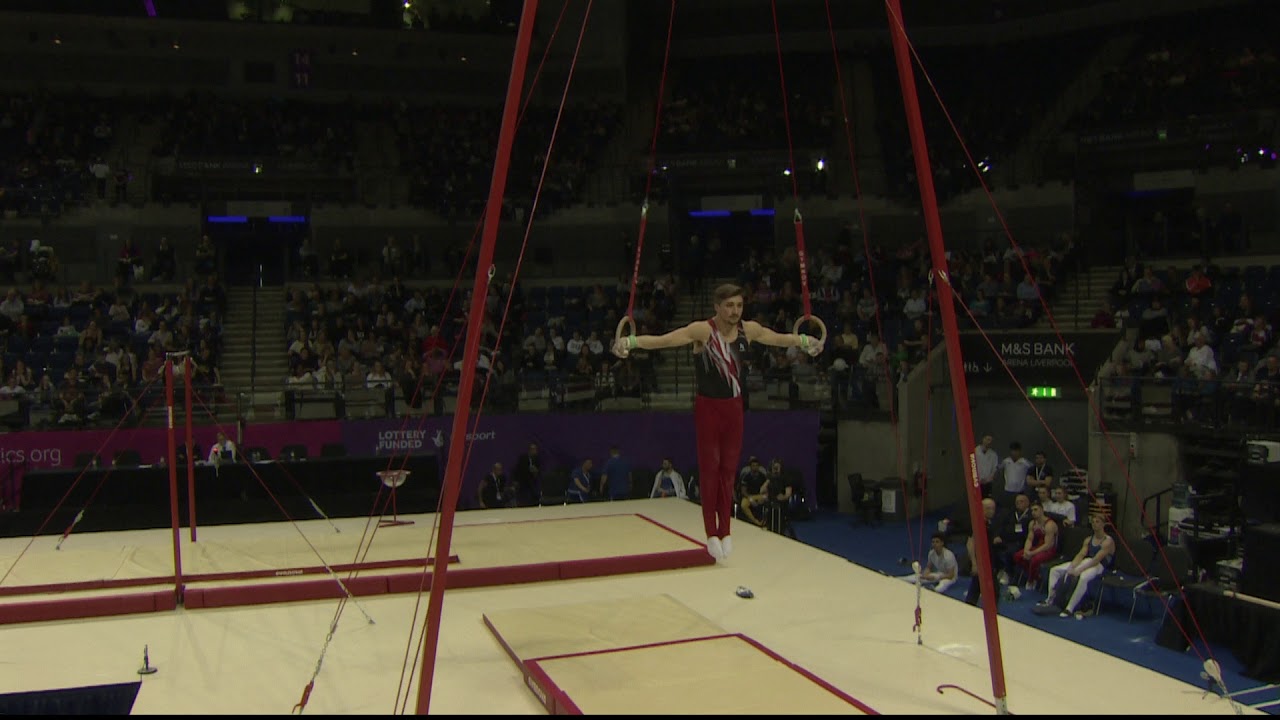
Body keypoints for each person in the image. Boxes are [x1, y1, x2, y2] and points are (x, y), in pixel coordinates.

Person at [612, 283, 823, 560]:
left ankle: (726, 530)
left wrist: (807, 342)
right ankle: (711, 531)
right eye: (729, 306)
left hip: (734, 409)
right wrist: (631, 342)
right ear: (717, 307)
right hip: (708, 409)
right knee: (710, 471)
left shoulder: (750, 330)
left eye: (738, 305)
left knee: (728, 472)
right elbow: (666, 340)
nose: (735, 311)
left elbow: (779, 338)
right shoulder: (704, 331)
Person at [1038, 513, 1115, 620]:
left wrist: (1078, 570)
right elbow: (1081, 555)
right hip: (1087, 561)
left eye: (1097, 522)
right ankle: (1051, 599)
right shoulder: (1088, 539)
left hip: (1100, 566)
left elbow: (1096, 559)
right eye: (1093, 522)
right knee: (1055, 570)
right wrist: (1072, 567)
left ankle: (1070, 608)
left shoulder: (1108, 541)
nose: (1094, 524)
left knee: (1083, 577)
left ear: (1104, 524)